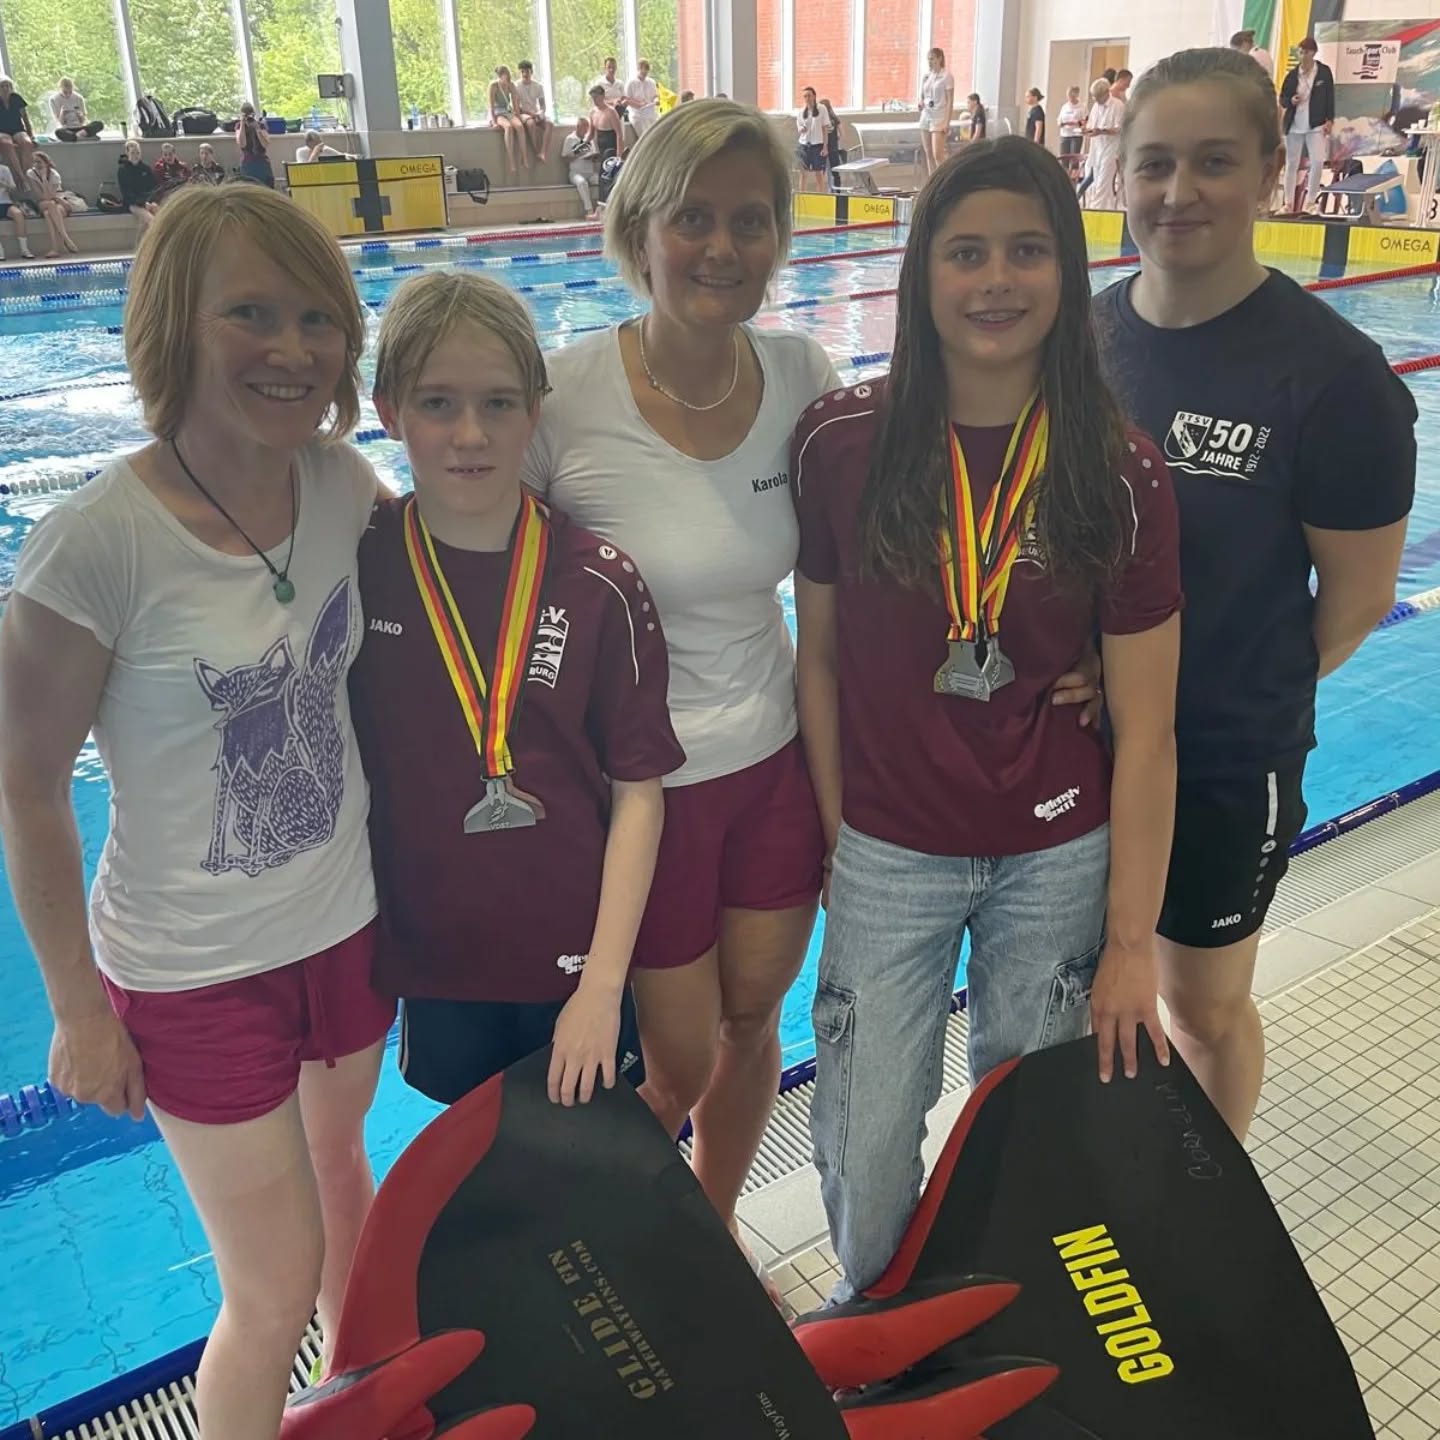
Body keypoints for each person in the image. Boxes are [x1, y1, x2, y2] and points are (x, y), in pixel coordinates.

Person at [0, 182, 390, 1440]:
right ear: (177, 325)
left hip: (342, 931)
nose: (290, 349)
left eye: (314, 319)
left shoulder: (342, 487)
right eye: (250, 315)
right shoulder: (92, 546)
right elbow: (25, 783)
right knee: (269, 1292)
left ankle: (373, 1402)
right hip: (192, 975)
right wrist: (76, 1009)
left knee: (346, 1182)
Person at [792, 136, 1182, 1302]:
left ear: (1068, 272)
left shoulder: (1119, 471)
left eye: (1026, 251)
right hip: (888, 849)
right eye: (965, 254)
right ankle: (879, 1326)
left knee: (1026, 1121)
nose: (996, 280)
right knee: (864, 1134)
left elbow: (1151, 732)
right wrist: (836, 835)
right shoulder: (840, 443)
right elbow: (815, 662)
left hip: (1057, 855)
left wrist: (1128, 947)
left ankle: (1001, 1320)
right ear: (921, 275)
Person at [520, 101, 841, 1302]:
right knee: (676, 1062)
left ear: (779, 239)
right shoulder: (562, 399)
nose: (722, 247)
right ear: (639, 229)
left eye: (749, 222)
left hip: (770, 766)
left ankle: (709, 1234)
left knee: (757, 1027)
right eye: (693, 218)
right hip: (636, 798)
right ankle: (618, 1242)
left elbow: (869, 571)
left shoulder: (805, 377)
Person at [1094, 47, 1414, 1141]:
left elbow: (1360, 596)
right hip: (1076, 747)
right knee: (1087, 990)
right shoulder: (1086, 342)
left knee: (1202, 1006)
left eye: (1213, 162)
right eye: (1155, 164)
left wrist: (1235, 687)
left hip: (1226, 759)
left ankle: (1212, 1204)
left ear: (1272, 170)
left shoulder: (1333, 378)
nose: (1178, 193)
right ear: (1121, 174)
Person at [352, 270, 683, 1110]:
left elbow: (639, 794)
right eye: (437, 404)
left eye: (499, 403)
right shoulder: (358, 568)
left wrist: (604, 987)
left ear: (535, 411)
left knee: (595, 1194)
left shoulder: (596, 580)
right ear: (388, 411)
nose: (471, 434)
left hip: (576, 965)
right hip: (440, 965)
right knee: (478, 1200)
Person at [1279, 37, 1334, 214]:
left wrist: (1330, 119)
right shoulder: (1292, 74)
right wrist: (1291, 100)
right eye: (1300, 52)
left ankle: (1310, 202)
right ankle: (1288, 203)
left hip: (1316, 124)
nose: (1303, 55)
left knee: (1317, 162)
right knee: (1291, 164)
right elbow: (1283, 98)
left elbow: (1330, 97)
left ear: (1313, 53)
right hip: (1294, 125)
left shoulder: (1324, 72)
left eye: (1306, 52)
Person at [25, 150, 78, 255]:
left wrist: (45, 178)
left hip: (59, 200)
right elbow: (43, 197)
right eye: (34, 162)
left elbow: (51, 195)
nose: (36, 165)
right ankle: (66, 238)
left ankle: (54, 248)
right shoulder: (31, 173)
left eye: (39, 162)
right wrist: (43, 179)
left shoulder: (54, 175)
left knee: (48, 214)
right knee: (50, 205)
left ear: (46, 163)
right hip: (43, 202)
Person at [1083, 77, 1124, 208]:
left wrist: (1101, 131)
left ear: (1106, 93)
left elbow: (1120, 129)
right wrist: (1087, 130)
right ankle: (1102, 209)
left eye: (1098, 97)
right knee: (1095, 183)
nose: (1095, 100)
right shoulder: (1096, 106)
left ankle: (1096, 211)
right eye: (1094, 97)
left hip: (1111, 148)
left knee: (1103, 183)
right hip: (1096, 149)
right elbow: (1091, 125)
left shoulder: (1118, 106)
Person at [490, 66, 531, 179]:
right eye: (503, 76)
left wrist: (517, 117)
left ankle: (524, 157)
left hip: (508, 111)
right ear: (499, 76)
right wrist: (494, 122)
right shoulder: (493, 86)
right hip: (498, 112)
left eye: (507, 75)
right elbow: (491, 106)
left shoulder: (511, 85)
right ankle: (511, 161)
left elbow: (515, 103)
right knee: (508, 128)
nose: (505, 78)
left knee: (519, 127)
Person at [919, 50, 955, 178]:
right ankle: (932, 181)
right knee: (928, 153)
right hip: (926, 115)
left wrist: (947, 122)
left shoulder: (946, 76)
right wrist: (921, 102)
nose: (930, 61)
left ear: (940, 59)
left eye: (933, 58)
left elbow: (950, 100)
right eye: (929, 59)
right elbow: (923, 96)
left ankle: (945, 179)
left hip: (939, 116)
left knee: (937, 154)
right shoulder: (927, 76)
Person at [117, 139, 160, 233]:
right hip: (132, 203)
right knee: (151, 220)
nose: (136, 155)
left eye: (138, 153)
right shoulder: (123, 170)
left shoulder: (145, 168)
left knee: (162, 216)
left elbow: (154, 187)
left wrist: (152, 201)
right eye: (133, 153)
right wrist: (143, 203)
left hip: (148, 200)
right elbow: (127, 193)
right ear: (127, 153)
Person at [0, 77, 37, 183]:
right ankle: (21, 177)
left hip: (18, 129)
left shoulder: (16, 98)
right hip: (2, 131)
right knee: (7, 144)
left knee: (27, 143)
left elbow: (25, 118)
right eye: (2, 86)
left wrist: (31, 134)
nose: (5, 88)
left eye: (8, 86)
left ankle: (26, 174)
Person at [514, 61, 552, 164]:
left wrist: (540, 113)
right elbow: (516, 107)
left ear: (531, 72)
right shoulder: (516, 86)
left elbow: (543, 105)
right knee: (530, 124)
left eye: (527, 71)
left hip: (536, 113)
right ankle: (536, 152)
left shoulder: (538, 86)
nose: (525, 74)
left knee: (549, 124)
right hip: (523, 114)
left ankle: (543, 152)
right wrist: (530, 114)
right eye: (522, 72)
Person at [563, 114, 600, 217]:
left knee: (602, 181)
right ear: (578, 127)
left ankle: (601, 209)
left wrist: (593, 157)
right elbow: (565, 159)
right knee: (582, 183)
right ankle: (589, 210)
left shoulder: (590, 140)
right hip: (576, 172)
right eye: (584, 127)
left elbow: (595, 155)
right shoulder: (570, 139)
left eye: (587, 127)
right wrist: (578, 154)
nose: (586, 130)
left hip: (590, 172)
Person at [796, 86, 829, 193]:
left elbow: (825, 128)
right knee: (803, 172)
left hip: (817, 144)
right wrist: (802, 129)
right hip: (804, 144)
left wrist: (825, 146)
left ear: (814, 96)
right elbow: (799, 128)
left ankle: (820, 196)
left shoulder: (822, 109)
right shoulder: (801, 112)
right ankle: (802, 195)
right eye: (805, 96)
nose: (807, 98)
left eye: (809, 96)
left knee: (818, 172)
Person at [0, 158, 35, 258]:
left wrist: (4, 185)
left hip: (5, 203)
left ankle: (24, 249)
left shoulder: (4, 169)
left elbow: (13, 188)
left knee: (18, 214)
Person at [235, 102, 275, 188]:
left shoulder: (260, 125)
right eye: (246, 115)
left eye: (250, 115)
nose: (248, 118)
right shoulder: (239, 126)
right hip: (247, 162)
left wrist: (257, 129)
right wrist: (242, 124)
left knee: (267, 187)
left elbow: (265, 144)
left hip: (261, 161)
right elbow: (242, 144)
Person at [588, 84, 625, 164]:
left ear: (602, 96)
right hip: (600, 146)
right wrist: (582, 143)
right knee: (602, 173)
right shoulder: (592, 112)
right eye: (592, 97)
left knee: (610, 173)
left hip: (611, 146)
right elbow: (591, 134)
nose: (594, 100)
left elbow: (619, 134)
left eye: (596, 97)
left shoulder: (611, 112)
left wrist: (619, 156)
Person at [626, 59, 660, 138]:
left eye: (646, 72)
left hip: (651, 114)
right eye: (643, 72)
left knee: (655, 135)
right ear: (638, 69)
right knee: (644, 137)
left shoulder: (651, 82)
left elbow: (655, 96)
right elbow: (627, 99)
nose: (645, 74)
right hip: (637, 115)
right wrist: (638, 104)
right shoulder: (631, 83)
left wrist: (656, 100)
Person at [1057, 84, 1086, 165]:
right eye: (1069, 96)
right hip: (1065, 134)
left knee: (1074, 159)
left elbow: (1085, 121)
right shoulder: (1065, 107)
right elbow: (1059, 120)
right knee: (1064, 158)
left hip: (1076, 134)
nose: (1070, 98)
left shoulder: (1082, 107)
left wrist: (1076, 123)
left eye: (1072, 96)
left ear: (1076, 95)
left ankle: (1074, 174)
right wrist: (1063, 123)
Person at [820, 97, 844, 186]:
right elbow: (842, 132)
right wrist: (838, 137)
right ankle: (837, 190)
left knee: (821, 171)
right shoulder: (834, 117)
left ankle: (821, 190)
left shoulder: (821, 119)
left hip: (822, 146)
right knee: (835, 170)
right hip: (833, 146)